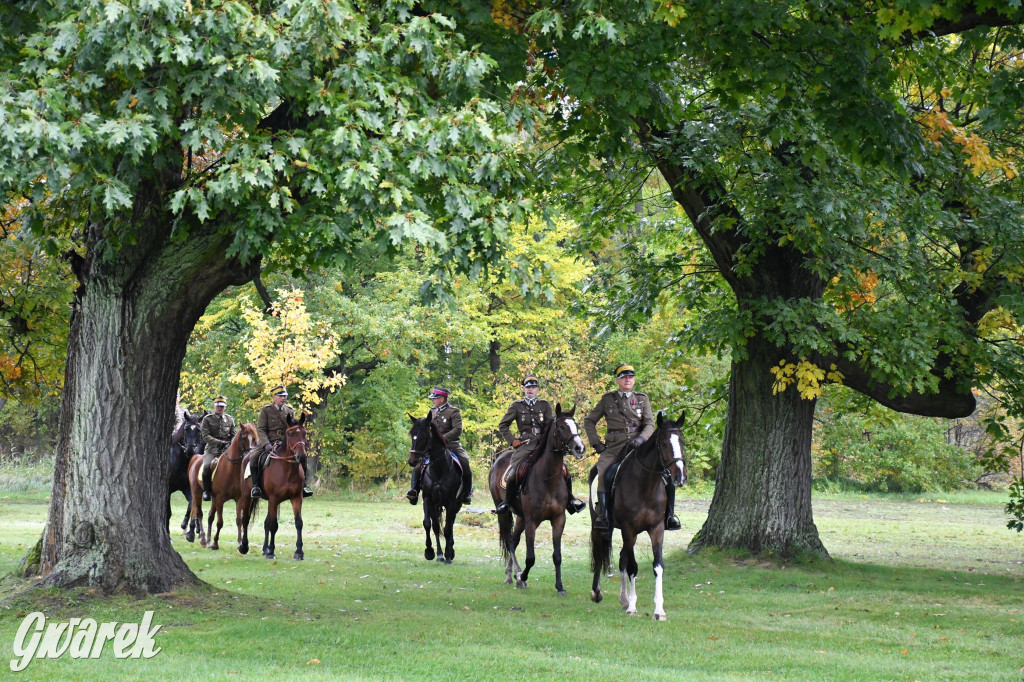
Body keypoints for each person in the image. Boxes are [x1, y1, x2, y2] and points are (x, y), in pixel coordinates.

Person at [584, 364, 681, 531]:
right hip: (614, 447)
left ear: (634, 379)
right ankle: (604, 515)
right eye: (623, 377)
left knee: (666, 473)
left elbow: (650, 423)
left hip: (639, 446)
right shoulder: (607, 399)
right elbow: (589, 421)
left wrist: (642, 438)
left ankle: (670, 515)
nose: (627, 379)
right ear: (617, 380)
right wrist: (596, 443)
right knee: (603, 471)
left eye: (630, 376)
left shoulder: (642, 399)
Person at [494, 375, 586, 514]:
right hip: (526, 444)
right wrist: (513, 440)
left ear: (537, 390)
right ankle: (507, 503)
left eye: (533, 387)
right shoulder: (517, 406)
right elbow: (503, 425)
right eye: (527, 387)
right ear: (523, 389)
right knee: (515, 470)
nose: (530, 389)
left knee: (564, 469)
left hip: (544, 444)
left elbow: (551, 425)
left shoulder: (544, 405)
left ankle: (570, 501)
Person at [407, 386, 473, 506]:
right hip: (433, 447)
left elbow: (458, 429)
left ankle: (467, 492)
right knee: (418, 465)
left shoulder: (453, 411)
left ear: (442, 399)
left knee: (465, 461)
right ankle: (414, 490)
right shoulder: (432, 411)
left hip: (451, 444)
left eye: (435, 398)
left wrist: (444, 438)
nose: (433, 401)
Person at [249, 385, 313, 499]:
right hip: (268, 440)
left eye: (285, 396)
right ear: (274, 397)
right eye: (280, 396)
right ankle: (256, 487)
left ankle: (303, 485)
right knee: (254, 457)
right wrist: (266, 444)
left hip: (286, 442)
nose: (283, 398)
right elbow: (261, 430)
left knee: (302, 456)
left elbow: (292, 428)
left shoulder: (289, 410)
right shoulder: (266, 410)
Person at [199, 396, 236, 501]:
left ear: (225, 407)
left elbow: (234, 435)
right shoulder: (207, 419)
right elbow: (205, 436)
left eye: (222, 406)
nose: (220, 408)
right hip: (212, 449)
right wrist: (219, 442)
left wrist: (231, 444)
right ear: (214, 406)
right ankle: (206, 491)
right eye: (218, 406)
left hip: (227, 449)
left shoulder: (229, 419)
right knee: (206, 466)